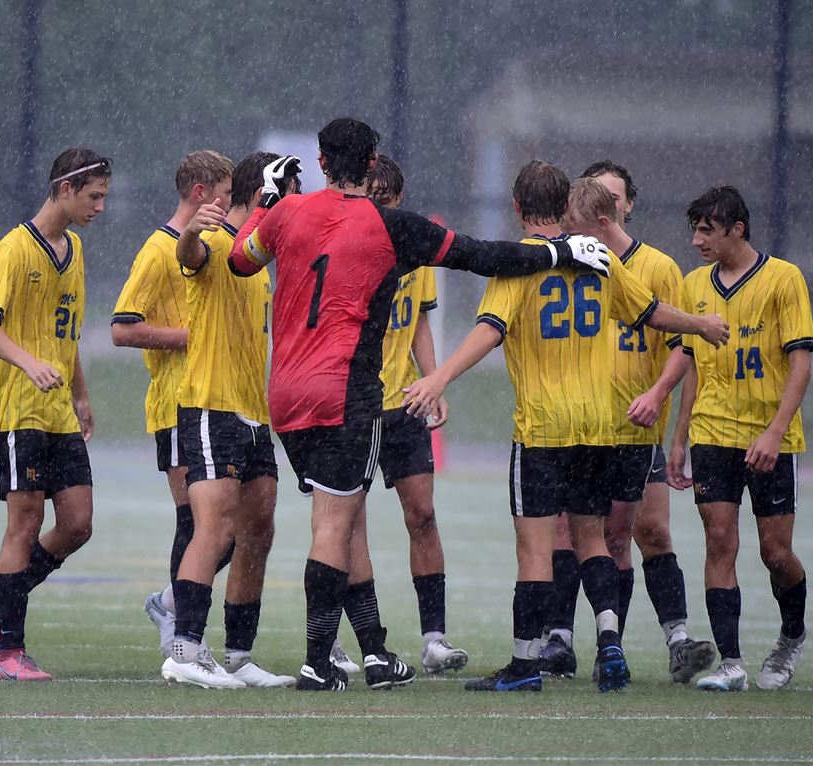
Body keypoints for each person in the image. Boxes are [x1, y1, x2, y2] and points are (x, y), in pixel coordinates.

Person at [229, 120, 614, 691]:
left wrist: (265, 203)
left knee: (339, 520)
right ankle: (318, 659)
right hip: (344, 391)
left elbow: (240, 260)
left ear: (321, 159)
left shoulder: (289, 213)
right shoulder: (393, 227)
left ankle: (376, 654)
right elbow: (483, 256)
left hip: (283, 391)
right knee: (335, 526)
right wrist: (560, 250)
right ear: (372, 161)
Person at [404, 172, 729, 693]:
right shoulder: (599, 256)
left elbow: (491, 328)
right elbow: (650, 312)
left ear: (516, 205)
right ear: (565, 204)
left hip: (544, 425)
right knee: (592, 537)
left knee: (535, 549)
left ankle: (524, 664)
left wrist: (439, 376)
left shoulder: (521, 262)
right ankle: (609, 639)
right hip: (599, 424)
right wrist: (700, 324)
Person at [537, 161, 716, 685]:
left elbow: (682, 345)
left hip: (637, 427)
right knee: (574, 530)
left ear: (617, 208)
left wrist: (659, 393)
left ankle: (670, 639)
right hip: (582, 423)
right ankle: (564, 640)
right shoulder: (571, 261)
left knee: (640, 531)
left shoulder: (657, 267)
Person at [0, 148, 109, 680]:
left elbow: (65, 334)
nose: (100, 206)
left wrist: (81, 393)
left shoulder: (74, 250)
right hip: (16, 409)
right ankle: (10, 652)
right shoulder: (14, 248)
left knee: (77, 523)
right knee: (24, 523)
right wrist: (28, 364)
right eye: (94, 196)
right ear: (65, 189)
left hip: (58, 413)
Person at [665, 186, 813, 692]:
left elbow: (801, 366)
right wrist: (680, 437)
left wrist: (775, 431)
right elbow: (690, 365)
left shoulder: (783, 279)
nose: (696, 240)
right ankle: (731, 664)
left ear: (737, 229)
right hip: (712, 433)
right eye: (695, 230)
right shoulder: (692, 286)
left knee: (775, 553)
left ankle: (791, 635)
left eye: (706, 230)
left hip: (769, 438)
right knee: (719, 540)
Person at [160, 152, 300, 689]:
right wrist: (191, 232)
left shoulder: (260, 257)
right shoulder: (219, 242)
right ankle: (185, 650)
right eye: (286, 190)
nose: (293, 201)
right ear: (263, 192)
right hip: (210, 405)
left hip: (252, 412)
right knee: (212, 527)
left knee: (257, 532)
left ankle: (239, 655)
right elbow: (190, 255)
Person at [111, 151, 235, 657]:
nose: (232, 201)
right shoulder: (159, 250)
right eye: (226, 191)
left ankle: (169, 601)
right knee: (198, 524)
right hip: (176, 403)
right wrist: (187, 337)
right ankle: (185, 632)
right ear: (202, 192)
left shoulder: (214, 247)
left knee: (233, 527)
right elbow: (122, 328)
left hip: (215, 399)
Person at [366, 154, 469, 675]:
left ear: (399, 201)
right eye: (368, 199)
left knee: (423, 515)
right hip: (356, 403)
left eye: (383, 201)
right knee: (342, 527)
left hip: (403, 402)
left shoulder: (416, 250)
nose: (376, 210)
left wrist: (434, 384)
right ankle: (351, 639)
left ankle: (434, 640)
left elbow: (420, 324)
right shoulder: (351, 245)